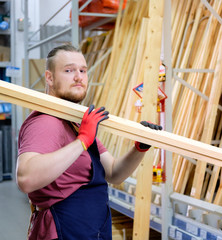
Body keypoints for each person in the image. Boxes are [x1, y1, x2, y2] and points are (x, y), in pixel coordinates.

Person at [16, 43, 162, 240]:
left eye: (82, 70)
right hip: (64, 230)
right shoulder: (46, 122)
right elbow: (26, 179)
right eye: (69, 70)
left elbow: (113, 173)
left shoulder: (76, 123)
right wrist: (83, 140)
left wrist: (139, 148)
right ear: (49, 77)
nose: (78, 77)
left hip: (91, 229)